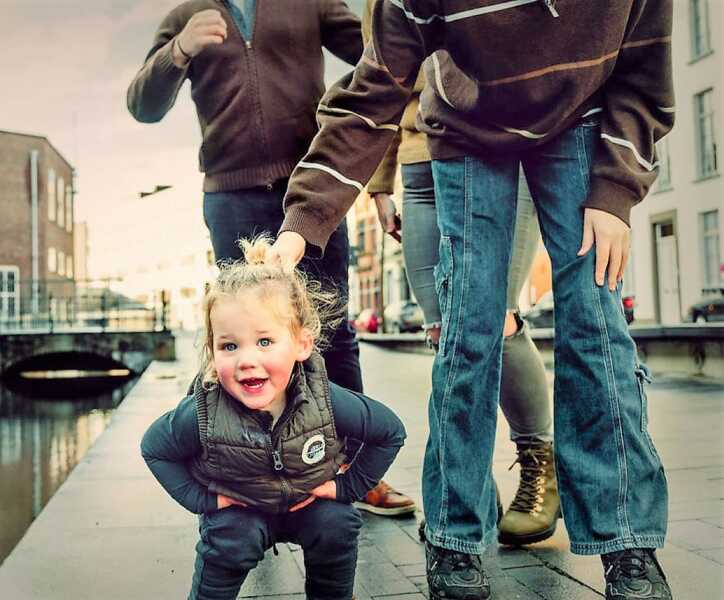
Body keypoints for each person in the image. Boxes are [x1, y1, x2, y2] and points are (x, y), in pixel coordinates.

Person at [269, 1, 674, 599]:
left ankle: (628, 544)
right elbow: (370, 94)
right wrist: (302, 221)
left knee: (595, 320)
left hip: (583, 111)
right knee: (468, 330)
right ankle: (455, 540)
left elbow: (644, 69)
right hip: (467, 128)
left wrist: (614, 190)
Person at [127, 0, 415, 516]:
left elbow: (384, 54)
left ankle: (351, 468)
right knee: (243, 336)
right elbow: (143, 105)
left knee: (333, 331)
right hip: (230, 195)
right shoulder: (185, 16)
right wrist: (179, 50)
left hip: (309, 188)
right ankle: (243, 470)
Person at [359, 0, 559, 548]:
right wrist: (380, 183)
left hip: (494, 153)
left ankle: (540, 463)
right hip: (420, 165)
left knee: (493, 317)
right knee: (444, 330)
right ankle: (467, 487)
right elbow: (381, 75)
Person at [141, 237, 407, 600]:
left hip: (308, 502)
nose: (246, 359)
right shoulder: (205, 409)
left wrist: (347, 488)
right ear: (212, 350)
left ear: (301, 344)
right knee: (231, 538)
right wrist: (202, 501)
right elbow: (155, 448)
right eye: (229, 346)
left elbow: (389, 432)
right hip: (241, 508)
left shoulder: (323, 398)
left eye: (264, 341)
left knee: (338, 523)